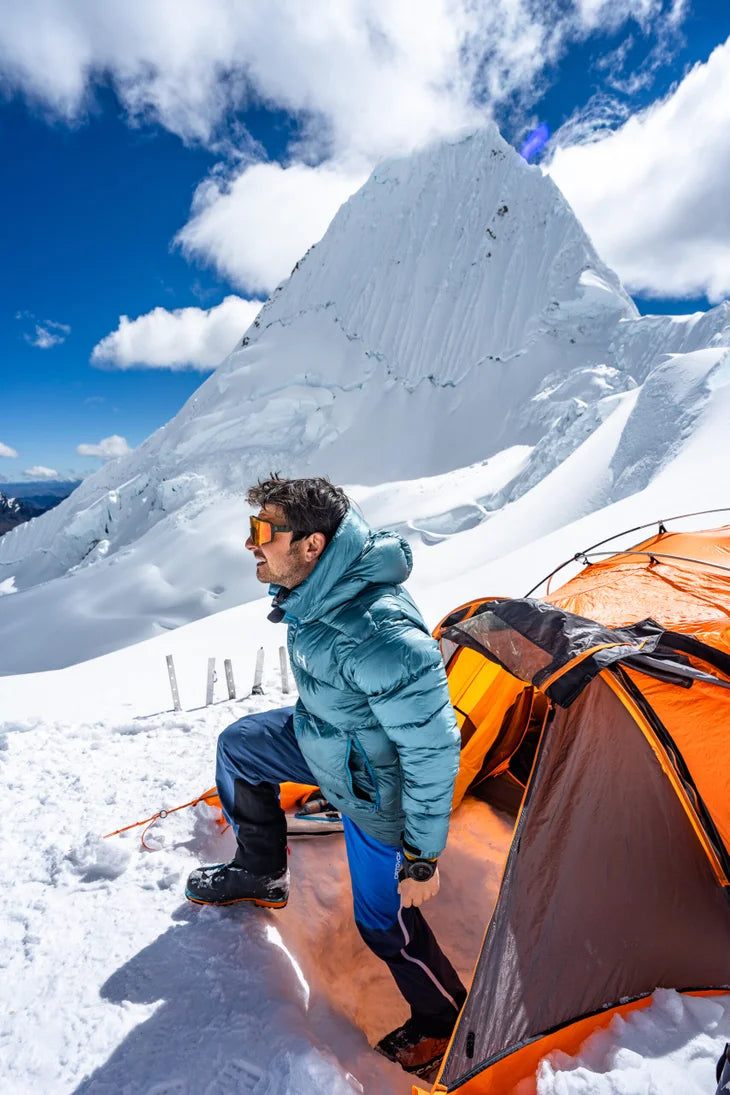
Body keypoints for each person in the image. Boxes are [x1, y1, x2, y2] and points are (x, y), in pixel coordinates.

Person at [186, 475, 466, 1075]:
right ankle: (261, 873)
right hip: (328, 741)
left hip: (372, 793)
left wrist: (420, 856)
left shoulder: (378, 633)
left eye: (264, 531)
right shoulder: (320, 591)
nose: (250, 545)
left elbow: (434, 748)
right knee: (241, 746)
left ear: (312, 544)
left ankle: (448, 1023)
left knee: (384, 923)